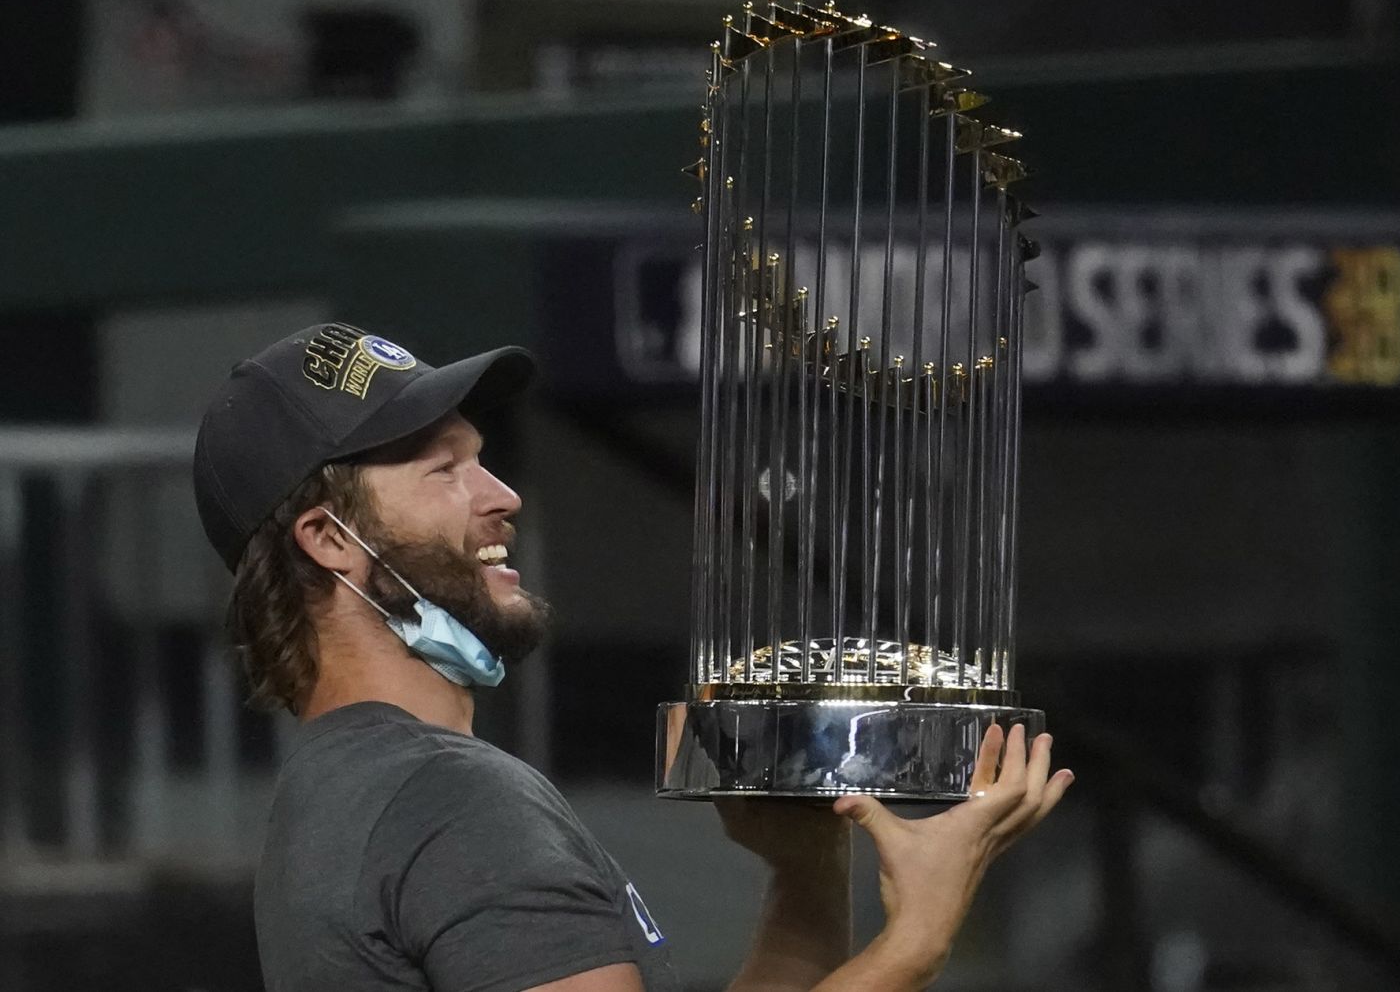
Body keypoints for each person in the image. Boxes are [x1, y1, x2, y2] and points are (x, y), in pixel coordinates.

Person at [192, 321, 1075, 992]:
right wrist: (915, 938)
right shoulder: (449, 803)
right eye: (443, 470)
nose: (501, 498)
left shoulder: (338, 793)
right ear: (329, 540)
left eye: (483, 461)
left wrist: (806, 873)